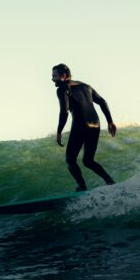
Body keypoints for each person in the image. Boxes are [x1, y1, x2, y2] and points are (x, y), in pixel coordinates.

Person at [52, 63, 117, 191]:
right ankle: (110, 182)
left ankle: (82, 186)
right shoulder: (86, 86)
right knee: (88, 161)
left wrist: (59, 132)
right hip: (95, 124)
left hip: (80, 124)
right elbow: (102, 102)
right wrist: (110, 122)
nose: (52, 79)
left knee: (70, 160)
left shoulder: (62, 89)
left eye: (54, 76)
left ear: (63, 76)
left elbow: (64, 111)